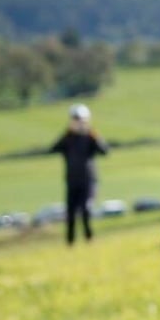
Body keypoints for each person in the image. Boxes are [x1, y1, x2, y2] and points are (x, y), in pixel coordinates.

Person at [50, 102, 109, 245]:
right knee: (70, 213)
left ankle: (89, 238)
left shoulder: (90, 137)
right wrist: (68, 133)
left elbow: (104, 151)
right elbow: (53, 148)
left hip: (88, 180)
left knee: (85, 210)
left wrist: (93, 134)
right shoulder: (68, 138)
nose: (79, 123)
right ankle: (70, 242)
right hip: (72, 181)